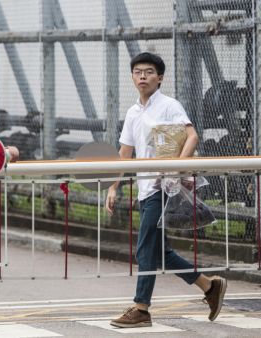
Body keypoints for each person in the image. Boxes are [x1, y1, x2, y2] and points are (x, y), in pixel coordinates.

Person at [105, 52, 227, 328]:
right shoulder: (133, 111)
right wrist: (113, 187)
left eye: (149, 72)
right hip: (145, 189)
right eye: (138, 72)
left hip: (163, 188)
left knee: (146, 248)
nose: (143, 76)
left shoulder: (170, 105)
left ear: (159, 78)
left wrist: (177, 168)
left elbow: (192, 135)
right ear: (132, 77)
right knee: (160, 252)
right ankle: (210, 287)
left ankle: (141, 308)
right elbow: (125, 153)